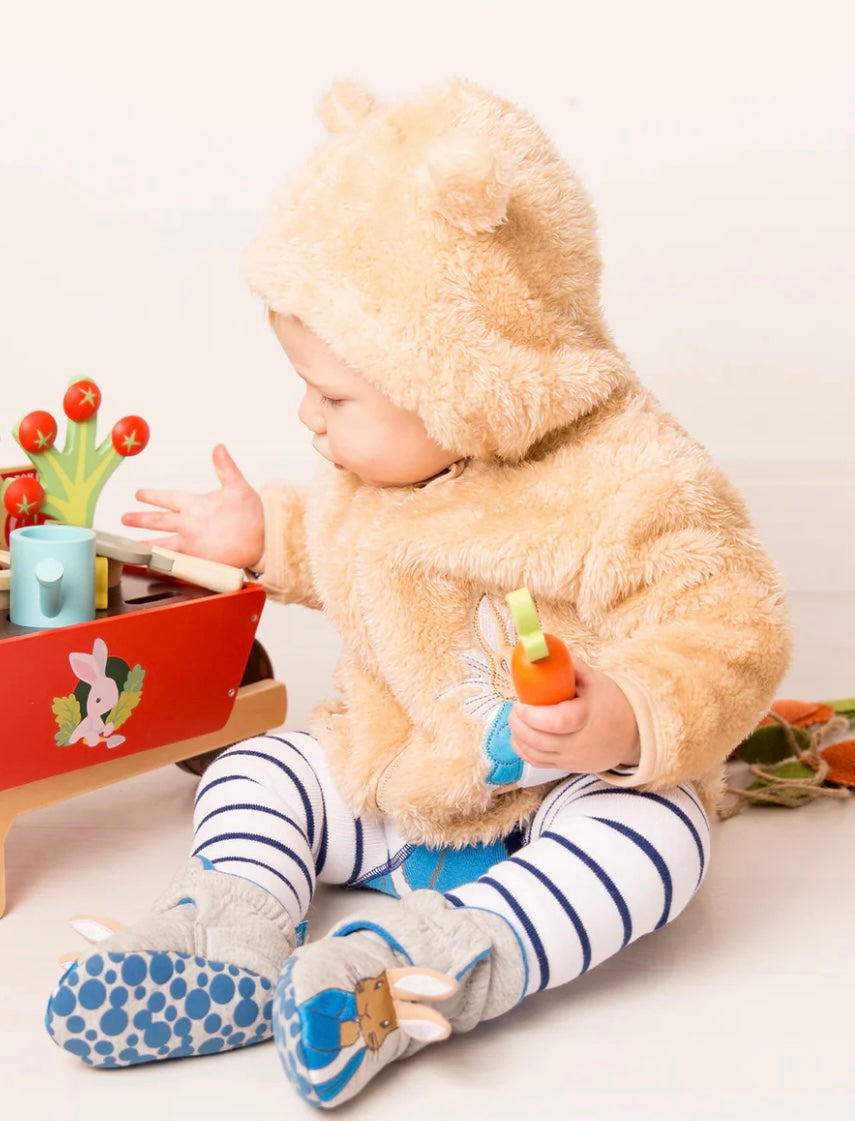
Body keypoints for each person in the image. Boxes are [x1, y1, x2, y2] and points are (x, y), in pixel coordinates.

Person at [45, 79, 791, 1107]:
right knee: (260, 771)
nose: (308, 415)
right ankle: (234, 929)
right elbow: (348, 543)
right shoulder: (382, 470)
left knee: (659, 841)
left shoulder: (635, 482)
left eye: (336, 394)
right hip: (398, 778)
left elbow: (729, 622)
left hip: (552, 798)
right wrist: (265, 534)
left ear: (466, 378)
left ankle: (442, 956)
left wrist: (622, 714)